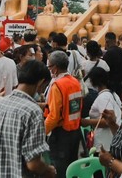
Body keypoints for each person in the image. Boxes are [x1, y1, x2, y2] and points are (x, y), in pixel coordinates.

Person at [0, 60, 55, 178]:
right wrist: (48, 170)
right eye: (43, 87)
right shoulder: (32, 111)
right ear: (40, 82)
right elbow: (33, 164)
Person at [44, 50, 82, 178]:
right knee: (72, 170)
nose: (49, 70)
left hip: (60, 135)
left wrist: (41, 132)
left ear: (55, 68)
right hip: (75, 131)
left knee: (60, 171)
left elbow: (54, 116)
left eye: (49, 67)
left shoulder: (57, 85)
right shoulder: (75, 82)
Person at [81, 67, 122, 150]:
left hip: (105, 141)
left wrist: (87, 122)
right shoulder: (113, 93)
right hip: (115, 137)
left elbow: (108, 120)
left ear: (92, 81)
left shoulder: (103, 97)